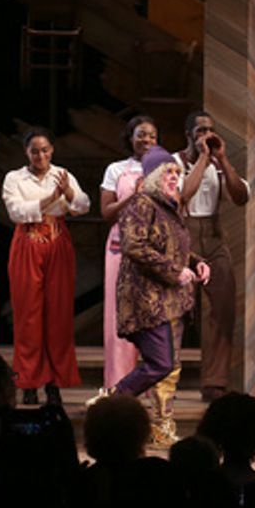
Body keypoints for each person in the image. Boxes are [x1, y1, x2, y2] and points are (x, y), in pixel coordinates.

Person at [99, 147, 210, 448]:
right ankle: (109, 401)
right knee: (160, 362)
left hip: (166, 298)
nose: (174, 177)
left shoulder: (169, 206)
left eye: (177, 172)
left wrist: (195, 262)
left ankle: (121, 408)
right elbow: (134, 246)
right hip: (146, 298)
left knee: (163, 363)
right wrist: (175, 271)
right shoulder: (142, 203)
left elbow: (176, 248)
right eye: (169, 172)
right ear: (155, 177)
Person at [2, 127, 90, 406]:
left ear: (52, 150)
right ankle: (28, 382)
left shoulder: (62, 174)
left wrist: (68, 194)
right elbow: (17, 211)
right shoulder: (14, 178)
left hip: (58, 243)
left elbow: (83, 205)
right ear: (26, 152)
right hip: (28, 242)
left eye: (45, 150)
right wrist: (52, 199)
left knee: (58, 314)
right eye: (34, 150)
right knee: (28, 315)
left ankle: (54, 383)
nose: (40, 155)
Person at [174, 111, 251, 402]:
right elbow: (182, 195)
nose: (205, 135)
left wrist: (223, 160)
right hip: (183, 233)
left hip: (215, 234)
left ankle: (215, 381)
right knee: (178, 308)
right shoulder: (175, 162)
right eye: (199, 131)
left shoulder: (218, 164)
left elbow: (241, 197)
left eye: (210, 130)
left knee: (223, 307)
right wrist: (204, 158)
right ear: (188, 135)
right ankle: (165, 375)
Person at [99, 115, 157, 390]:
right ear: (130, 138)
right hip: (119, 247)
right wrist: (133, 196)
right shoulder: (116, 169)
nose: (147, 140)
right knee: (118, 318)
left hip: (152, 251)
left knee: (150, 316)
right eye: (141, 135)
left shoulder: (165, 168)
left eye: (152, 135)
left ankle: (148, 384)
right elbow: (106, 213)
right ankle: (119, 385)